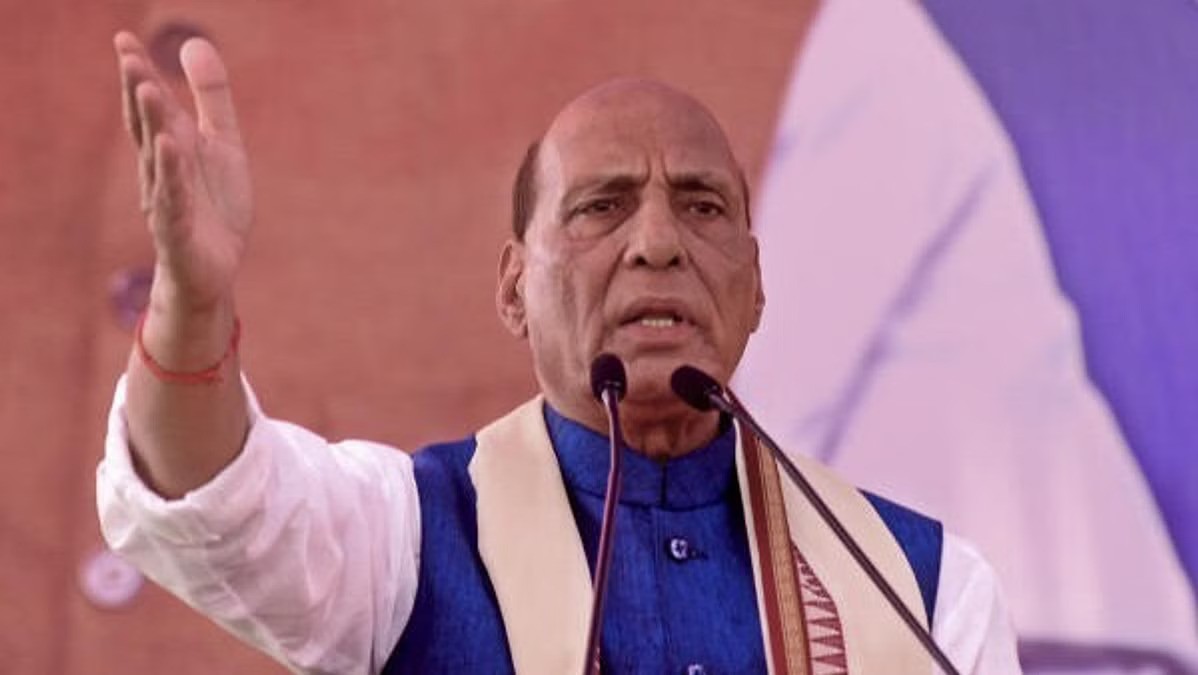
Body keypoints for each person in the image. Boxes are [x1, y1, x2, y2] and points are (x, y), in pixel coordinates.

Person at [97, 31, 1021, 674]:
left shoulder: (925, 589)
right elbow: (217, 502)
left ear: (755, 285)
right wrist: (191, 303)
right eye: (601, 206)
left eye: (701, 206)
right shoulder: (407, 537)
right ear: (513, 289)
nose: (657, 243)